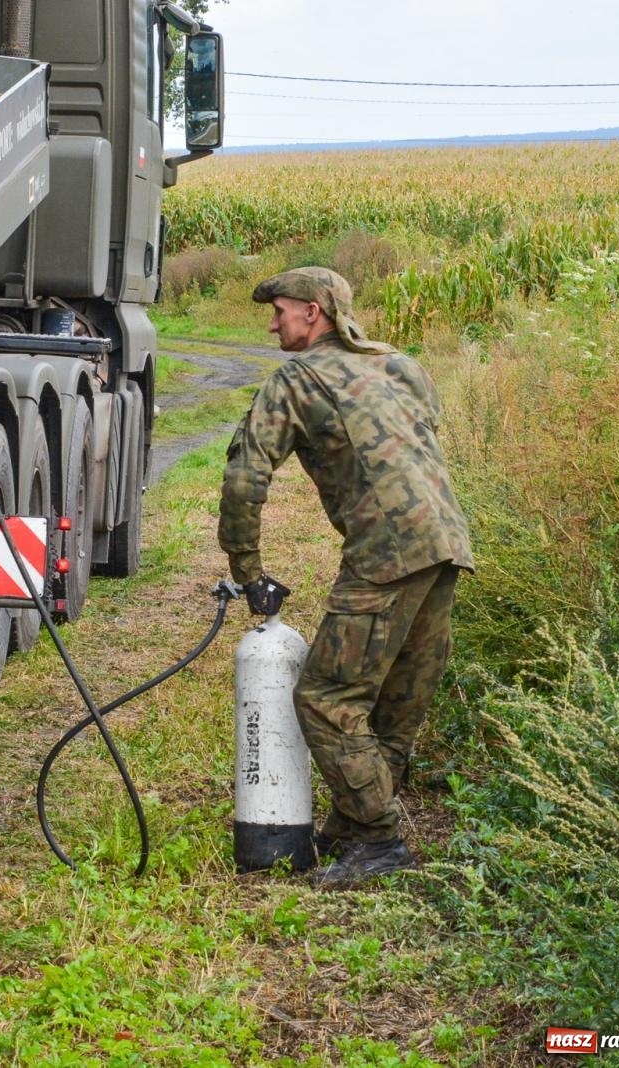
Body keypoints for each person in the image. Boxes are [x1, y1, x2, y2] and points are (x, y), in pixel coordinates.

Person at [218, 266, 473, 888]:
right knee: (393, 702)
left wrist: (248, 571)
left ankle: (380, 840)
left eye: (280, 310)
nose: (272, 322)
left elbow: (245, 478)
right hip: (447, 543)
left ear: (315, 311)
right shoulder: (399, 364)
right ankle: (351, 824)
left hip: (386, 554)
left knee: (327, 699)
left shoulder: (297, 379)